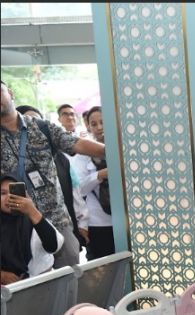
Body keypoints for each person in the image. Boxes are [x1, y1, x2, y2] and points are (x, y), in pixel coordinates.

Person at [1, 80, 105, 267]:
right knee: (30, 291)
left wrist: (116, 151)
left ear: (9, 92)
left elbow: (77, 144)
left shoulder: (41, 128)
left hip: (56, 222)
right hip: (17, 229)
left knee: (67, 285)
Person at [17, 105, 85, 250]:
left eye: (36, 120)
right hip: (25, 228)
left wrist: (81, 223)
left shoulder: (61, 160)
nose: (33, 124)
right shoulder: (10, 157)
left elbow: (73, 193)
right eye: (29, 120)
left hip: (60, 224)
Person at [0, 174, 63, 283]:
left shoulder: (32, 219)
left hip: (36, 288)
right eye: (3, 193)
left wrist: (32, 211)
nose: (9, 197)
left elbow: (54, 246)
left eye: (13, 192)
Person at [71, 106, 114, 259]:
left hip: (125, 220)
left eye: (103, 122)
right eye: (94, 124)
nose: (99, 127)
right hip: (97, 222)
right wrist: (99, 175)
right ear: (88, 126)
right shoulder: (83, 154)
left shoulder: (124, 149)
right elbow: (79, 188)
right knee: (102, 269)